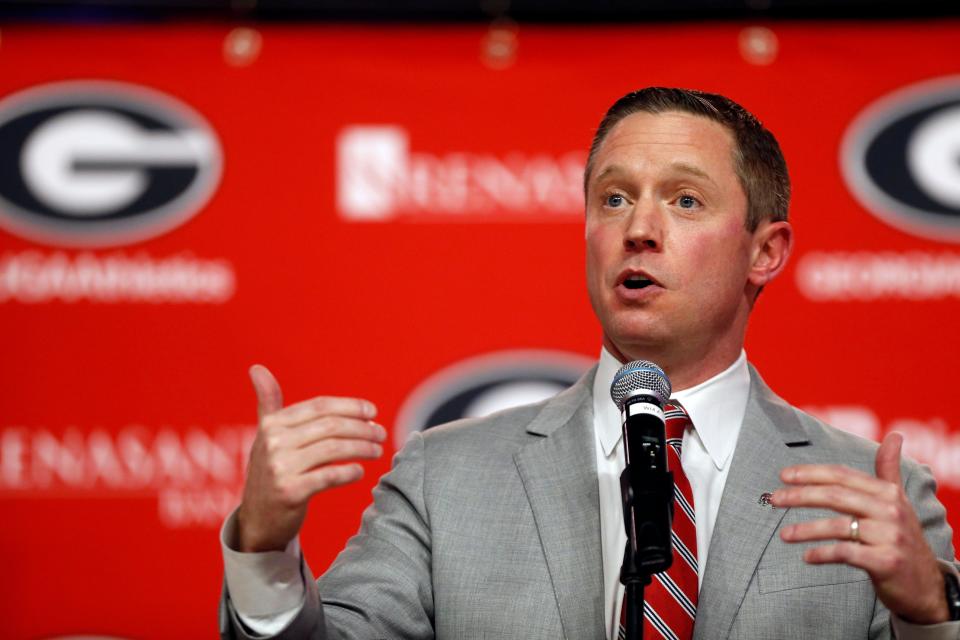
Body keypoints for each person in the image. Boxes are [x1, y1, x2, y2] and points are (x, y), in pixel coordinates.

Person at [219, 87, 960, 639]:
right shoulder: (446, 479)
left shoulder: (877, 496)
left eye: (685, 201)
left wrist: (929, 616)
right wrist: (263, 548)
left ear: (764, 252)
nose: (639, 228)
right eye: (613, 198)